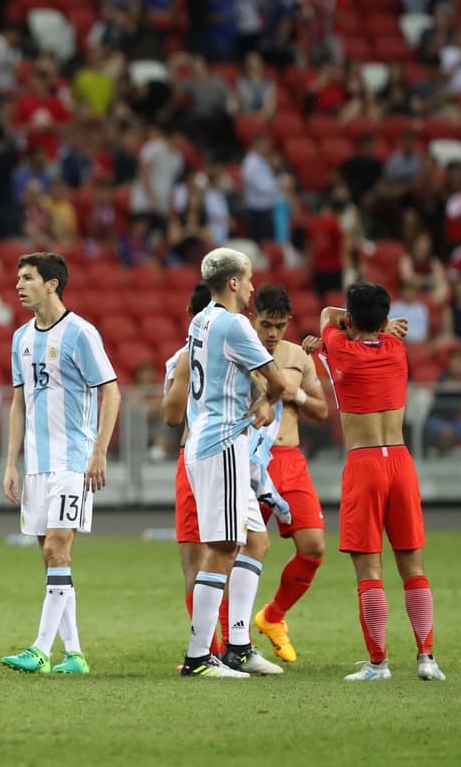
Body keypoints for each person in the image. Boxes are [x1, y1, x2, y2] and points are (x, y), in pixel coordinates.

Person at [306, 284, 445, 681]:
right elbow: (361, 323)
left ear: (351, 320)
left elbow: (328, 316)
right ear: (385, 322)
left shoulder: (338, 347)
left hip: (364, 464)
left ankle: (379, 663)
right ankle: (427, 658)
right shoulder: (396, 350)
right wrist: (386, 330)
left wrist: (351, 324)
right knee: (413, 566)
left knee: (369, 570)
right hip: (401, 462)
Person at [0, 253, 121, 676]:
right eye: (18, 278)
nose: (19, 285)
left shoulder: (81, 333)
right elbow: (19, 403)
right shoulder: (21, 338)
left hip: (73, 461)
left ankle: (38, 649)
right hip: (37, 464)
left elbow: (112, 391)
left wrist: (100, 451)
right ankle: (74, 654)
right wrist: (12, 463)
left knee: (56, 548)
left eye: (28, 278)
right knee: (53, 559)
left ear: (52, 284)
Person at [167, 247, 286, 678]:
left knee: (255, 542)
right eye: (250, 279)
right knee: (222, 549)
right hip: (222, 445)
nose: (254, 286)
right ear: (234, 282)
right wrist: (269, 402)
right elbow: (279, 380)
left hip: (204, 441)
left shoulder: (201, 320)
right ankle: (199, 657)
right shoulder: (235, 324)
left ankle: (238, 647)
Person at [250, 286, 331, 664]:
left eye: (279, 326)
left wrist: (294, 394)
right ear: (253, 317)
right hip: (250, 459)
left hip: (289, 459)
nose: (272, 333)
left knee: (313, 547)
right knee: (236, 551)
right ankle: (224, 645)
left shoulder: (298, 355)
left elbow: (321, 411)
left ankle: (273, 617)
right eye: (266, 324)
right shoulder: (238, 347)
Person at [163, 282, 226, 658]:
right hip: (233, 455)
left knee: (195, 561)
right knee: (233, 553)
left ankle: (211, 650)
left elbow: (172, 416)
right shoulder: (240, 348)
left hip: (193, 455)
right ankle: (233, 645)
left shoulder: (182, 358)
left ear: (191, 316)